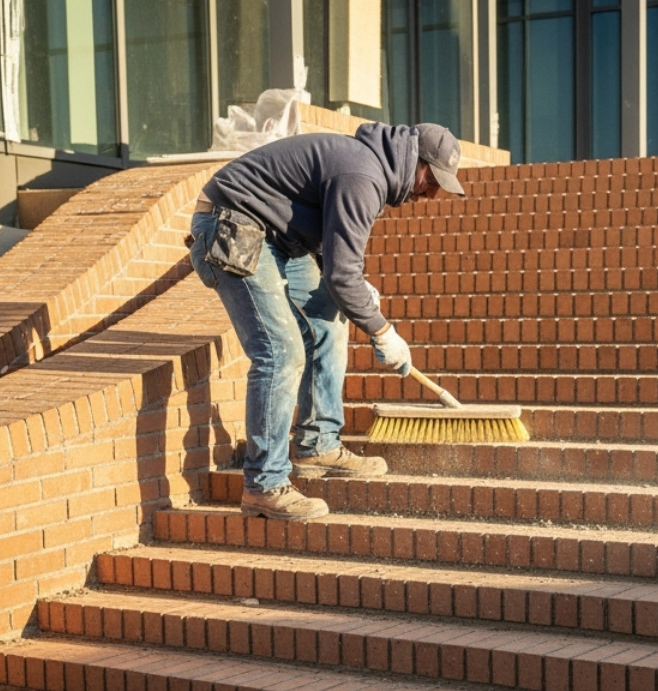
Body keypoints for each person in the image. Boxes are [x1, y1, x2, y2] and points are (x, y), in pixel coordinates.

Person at [187, 121, 466, 521]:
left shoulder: (366, 169)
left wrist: (356, 287)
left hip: (281, 238)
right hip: (234, 224)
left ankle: (318, 443)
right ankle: (264, 485)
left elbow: (338, 263)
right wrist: (383, 331)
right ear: (416, 161)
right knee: (280, 351)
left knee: (329, 318)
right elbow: (341, 275)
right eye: (432, 180)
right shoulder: (362, 175)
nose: (430, 193)